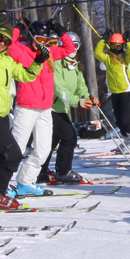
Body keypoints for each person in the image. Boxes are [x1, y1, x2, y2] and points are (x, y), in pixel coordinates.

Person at [0, 25, 44, 210]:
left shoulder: (7, 61)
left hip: (3, 114)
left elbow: (26, 75)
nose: (1, 43)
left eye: (6, 41)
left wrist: (38, 61)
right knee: (12, 154)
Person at [9, 19, 77, 196]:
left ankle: (26, 181)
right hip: (26, 107)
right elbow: (10, 47)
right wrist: (16, 29)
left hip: (45, 108)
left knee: (44, 149)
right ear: (32, 37)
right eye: (40, 39)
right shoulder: (23, 51)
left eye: (47, 41)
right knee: (16, 148)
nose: (43, 44)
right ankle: (0, 185)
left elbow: (69, 49)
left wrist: (61, 31)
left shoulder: (50, 53)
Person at [44, 31, 95, 184]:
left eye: (76, 46)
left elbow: (81, 86)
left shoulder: (74, 64)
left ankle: (41, 170)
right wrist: (77, 102)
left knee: (52, 141)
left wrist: (86, 98)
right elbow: (60, 90)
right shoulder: (56, 63)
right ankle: (63, 171)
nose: (73, 49)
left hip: (60, 109)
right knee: (69, 137)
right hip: (51, 108)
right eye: (69, 45)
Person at [94, 32, 130, 151]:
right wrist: (103, 40)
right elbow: (97, 53)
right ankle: (127, 139)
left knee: (126, 118)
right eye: (114, 46)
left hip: (127, 90)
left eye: (119, 46)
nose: (116, 49)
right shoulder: (107, 58)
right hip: (115, 92)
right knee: (118, 118)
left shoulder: (125, 58)